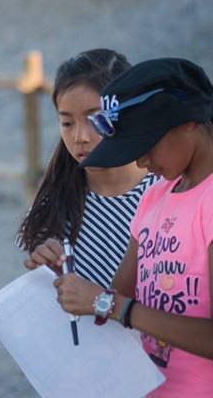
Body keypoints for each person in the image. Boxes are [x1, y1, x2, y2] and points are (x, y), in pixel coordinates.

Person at [54, 57, 213, 396]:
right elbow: (118, 294)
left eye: (145, 144)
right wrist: (65, 276)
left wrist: (115, 307)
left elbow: (117, 304)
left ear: (187, 122)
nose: (140, 161)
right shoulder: (155, 195)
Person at [17, 49, 158, 287]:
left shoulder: (167, 190)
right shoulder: (54, 205)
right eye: (67, 123)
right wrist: (46, 269)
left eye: (95, 119)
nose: (80, 137)